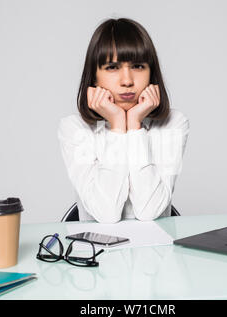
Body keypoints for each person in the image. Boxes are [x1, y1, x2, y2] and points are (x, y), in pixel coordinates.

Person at [58, 17, 190, 223]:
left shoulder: (173, 124)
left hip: (158, 252)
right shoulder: (75, 129)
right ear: (94, 77)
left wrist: (135, 125)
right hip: (96, 253)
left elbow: (149, 211)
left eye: (138, 66)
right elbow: (106, 214)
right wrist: (118, 125)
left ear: (151, 73)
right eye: (112, 67)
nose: (127, 81)